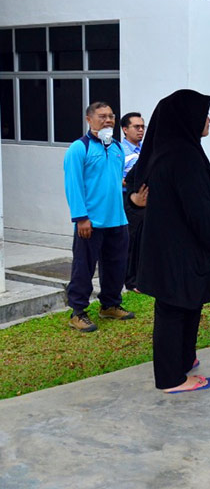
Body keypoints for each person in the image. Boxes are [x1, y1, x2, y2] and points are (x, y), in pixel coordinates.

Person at [128, 89, 210, 394]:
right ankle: (171, 378)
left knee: (187, 303)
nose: (208, 120)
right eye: (203, 114)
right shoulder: (183, 156)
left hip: (174, 247)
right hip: (179, 249)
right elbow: (198, 209)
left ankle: (183, 359)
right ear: (186, 118)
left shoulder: (173, 150)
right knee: (174, 308)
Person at [63, 102, 135, 332]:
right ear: (89, 119)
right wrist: (81, 218)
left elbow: (116, 182)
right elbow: (73, 185)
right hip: (90, 222)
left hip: (117, 220)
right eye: (102, 116)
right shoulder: (79, 148)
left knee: (116, 265)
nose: (108, 120)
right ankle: (77, 312)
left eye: (111, 116)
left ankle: (110, 305)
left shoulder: (117, 148)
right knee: (83, 267)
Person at [120, 112, 147, 291]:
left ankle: (143, 277)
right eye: (136, 127)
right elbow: (114, 178)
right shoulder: (119, 151)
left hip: (146, 200)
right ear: (125, 129)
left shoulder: (145, 149)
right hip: (129, 200)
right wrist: (133, 183)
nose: (140, 130)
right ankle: (131, 281)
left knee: (144, 240)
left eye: (142, 127)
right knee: (132, 239)